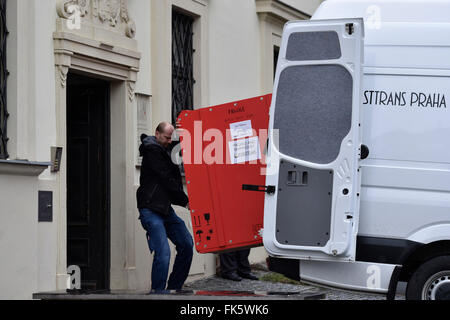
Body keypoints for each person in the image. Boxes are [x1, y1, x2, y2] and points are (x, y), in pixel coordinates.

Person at [137, 122, 193, 293]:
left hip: (165, 209)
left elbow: (173, 179)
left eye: (171, 138)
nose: (169, 141)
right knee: (163, 252)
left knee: (186, 244)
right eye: (167, 137)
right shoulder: (152, 151)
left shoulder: (166, 150)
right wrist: (185, 201)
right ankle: (158, 292)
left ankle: (175, 287)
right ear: (157, 134)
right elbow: (166, 179)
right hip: (150, 209)